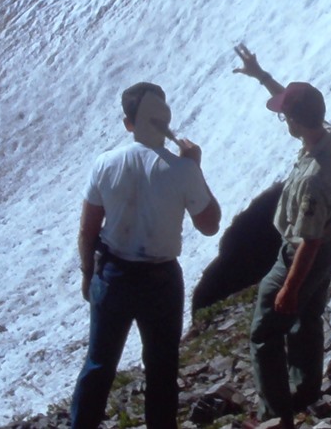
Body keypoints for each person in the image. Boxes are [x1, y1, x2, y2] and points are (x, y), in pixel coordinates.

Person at [70, 82, 221, 429]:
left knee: (99, 365)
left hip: (113, 275)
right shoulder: (182, 170)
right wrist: (195, 167)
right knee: (162, 367)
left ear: (129, 123)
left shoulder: (105, 163)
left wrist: (87, 273)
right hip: (160, 279)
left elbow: (87, 229)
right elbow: (209, 224)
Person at [233, 44, 331, 429]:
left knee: (265, 333)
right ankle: (305, 394)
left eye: (287, 116)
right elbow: (295, 107)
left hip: (301, 255)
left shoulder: (316, 177)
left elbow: (309, 240)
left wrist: (289, 288)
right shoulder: (329, 136)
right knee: (307, 321)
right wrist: (262, 76)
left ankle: (276, 415)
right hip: (328, 250)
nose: (284, 120)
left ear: (295, 122)